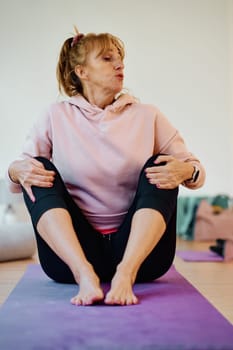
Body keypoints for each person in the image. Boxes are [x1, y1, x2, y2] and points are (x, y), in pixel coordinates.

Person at [7, 27, 205, 306]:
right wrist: (16, 170)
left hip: (143, 258)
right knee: (37, 167)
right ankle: (84, 273)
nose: (119, 64)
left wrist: (187, 171)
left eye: (120, 58)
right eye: (107, 58)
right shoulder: (55, 115)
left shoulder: (148, 115)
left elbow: (195, 171)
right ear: (81, 72)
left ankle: (125, 273)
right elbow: (19, 178)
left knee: (160, 166)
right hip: (70, 260)